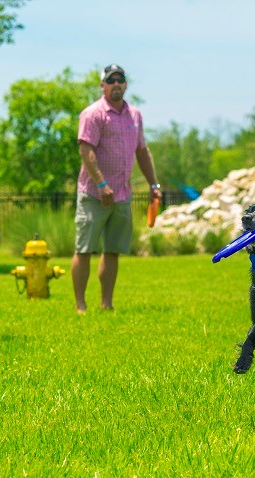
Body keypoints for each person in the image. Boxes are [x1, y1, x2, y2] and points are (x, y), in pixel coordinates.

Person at [72, 64, 161, 313]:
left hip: (122, 194)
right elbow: (85, 150)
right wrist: (101, 184)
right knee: (84, 249)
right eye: (111, 81)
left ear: (126, 84)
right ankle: (80, 306)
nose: (116, 84)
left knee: (112, 251)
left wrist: (154, 184)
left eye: (120, 80)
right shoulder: (93, 114)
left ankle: (106, 304)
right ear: (102, 85)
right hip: (93, 194)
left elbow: (142, 151)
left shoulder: (135, 116)